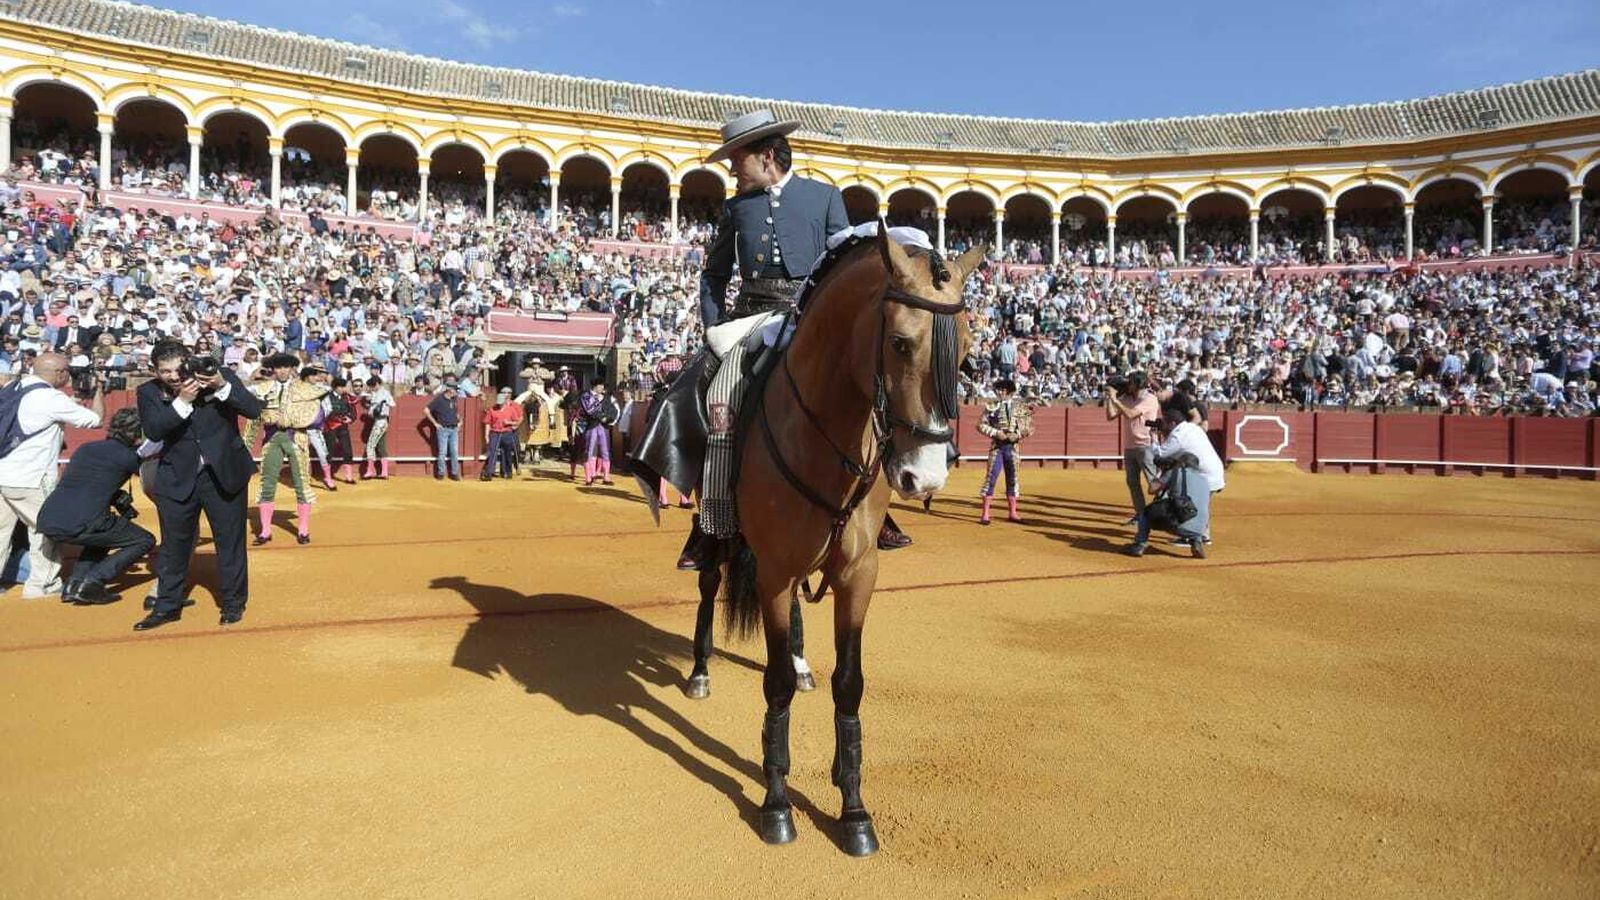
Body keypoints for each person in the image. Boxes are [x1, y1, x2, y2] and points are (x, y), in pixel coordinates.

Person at [676, 109, 909, 569]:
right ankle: (714, 524)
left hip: (810, 317)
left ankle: (878, 512)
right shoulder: (736, 207)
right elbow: (714, 275)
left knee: (867, 388)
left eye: (736, 159)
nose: (731, 169)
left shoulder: (823, 197)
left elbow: (842, 266)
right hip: (751, 317)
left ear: (766, 157)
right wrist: (712, 323)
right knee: (719, 395)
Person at [135, 339, 263, 630]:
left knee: (229, 543)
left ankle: (232, 603)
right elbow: (154, 430)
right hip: (177, 476)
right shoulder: (147, 392)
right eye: (164, 371)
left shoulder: (218, 377)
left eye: (177, 368)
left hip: (224, 473)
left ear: (188, 361)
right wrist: (182, 401)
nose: (172, 375)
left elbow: (254, 410)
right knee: (173, 546)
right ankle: (167, 606)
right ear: (154, 371)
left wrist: (221, 385)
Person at [0, 351, 106, 599]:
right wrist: (99, 391)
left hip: (3, 471)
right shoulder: (50, 398)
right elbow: (96, 420)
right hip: (31, 477)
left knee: (1, 532)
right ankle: (42, 584)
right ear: (59, 373)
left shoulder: (14, 387)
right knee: (46, 529)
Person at [37, 408, 157, 605]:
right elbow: (153, 479)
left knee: (102, 537)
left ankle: (73, 585)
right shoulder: (129, 457)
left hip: (49, 518)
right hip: (83, 522)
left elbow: (91, 482)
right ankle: (94, 582)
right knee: (144, 540)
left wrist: (117, 497)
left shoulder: (86, 448)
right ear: (137, 435)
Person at [245, 352, 327, 546]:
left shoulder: (304, 388)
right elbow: (253, 418)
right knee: (267, 483)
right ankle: (265, 531)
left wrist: (293, 418)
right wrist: (246, 446)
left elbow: (318, 408)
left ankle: (303, 530)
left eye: (286, 367)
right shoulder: (262, 389)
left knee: (301, 483)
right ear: (273, 369)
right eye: (278, 367)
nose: (282, 371)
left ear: (292, 369)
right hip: (272, 439)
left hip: (296, 437)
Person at [1131, 406, 1227, 558]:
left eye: (1165, 423)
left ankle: (1140, 544)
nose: (1163, 425)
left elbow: (1160, 455)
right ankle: (1199, 537)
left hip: (1201, 476)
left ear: (1173, 423)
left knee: (1153, 511)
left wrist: (1155, 438)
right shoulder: (1191, 427)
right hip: (1213, 474)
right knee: (1198, 503)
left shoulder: (1177, 446)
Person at [1105, 371, 1161, 544]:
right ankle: (1141, 515)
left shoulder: (1149, 399)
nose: (1127, 385)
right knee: (1133, 482)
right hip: (1130, 447)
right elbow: (1110, 416)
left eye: (1130, 383)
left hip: (1146, 446)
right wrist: (1110, 398)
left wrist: (1115, 400)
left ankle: (1164, 514)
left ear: (1138, 384)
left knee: (1155, 483)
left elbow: (1130, 414)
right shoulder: (1127, 398)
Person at [975, 378, 1032, 525]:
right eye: (998, 390)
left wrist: (1017, 435)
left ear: (1010, 392)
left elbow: (1030, 428)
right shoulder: (991, 407)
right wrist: (995, 432)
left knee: (1013, 479)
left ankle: (1013, 513)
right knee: (991, 478)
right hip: (997, 447)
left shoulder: (1020, 407)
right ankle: (985, 514)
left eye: (1002, 390)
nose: (999, 392)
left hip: (1013, 448)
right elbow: (980, 425)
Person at [576, 381, 618, 485]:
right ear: (596, 386)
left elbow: (613, 411)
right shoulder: (586, 396)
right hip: (592, 425)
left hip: (603, 426)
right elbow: (590, 411)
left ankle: (606, 477)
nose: (602, 388)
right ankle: (588, 477)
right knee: (589, 450)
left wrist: (607, 418)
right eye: (601, 386)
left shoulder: (605, 397)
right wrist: (602, 417)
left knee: (605, 451)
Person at [323, 377, 360, 485]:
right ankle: (327, 477)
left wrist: (351, 418)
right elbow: (325, 412)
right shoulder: (327, 397)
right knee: (329, 451)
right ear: (335, 387)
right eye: (341, 386)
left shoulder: (347, 397)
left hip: (343, 426)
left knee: (347, 450)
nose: (344, 389)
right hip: (330, 426)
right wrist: (338, 419)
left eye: (344, 386)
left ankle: (349, 477)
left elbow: (353, 412)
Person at [480, 387, 522, 481]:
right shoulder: (492, 409)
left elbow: (517, 422)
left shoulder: (511, 409)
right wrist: (486, 436)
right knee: (492, 452)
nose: (499, 404)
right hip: (495, 433)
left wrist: (509, 423)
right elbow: (487, 423)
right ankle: (489, 473)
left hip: (507, 433)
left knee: (507, 453)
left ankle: (508, 472)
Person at [426, 381, 462, 480]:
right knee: (443, 452)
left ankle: (454, 473)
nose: (456, 392)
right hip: (443, 429)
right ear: (449, 389)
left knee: (454, 452)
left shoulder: (454, 399)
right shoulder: (439, 399)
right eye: (455, 389)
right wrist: (435, 423)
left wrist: (460, 421)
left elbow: (456, 412)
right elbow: (426, 410)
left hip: (454, 429)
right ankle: (441, 473)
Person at [362, 376, 394, 479]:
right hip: (382, 421)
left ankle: (370, 471)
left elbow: (375, 411)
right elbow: (392, 404)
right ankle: (384, 472)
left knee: (370, 446)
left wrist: (372, 406)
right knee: (381, 446)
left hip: (380, 422)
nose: (371, 388)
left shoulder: (380, 394)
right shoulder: (384, 393)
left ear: (376, 384)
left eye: (372, 386)